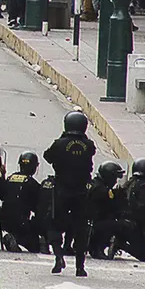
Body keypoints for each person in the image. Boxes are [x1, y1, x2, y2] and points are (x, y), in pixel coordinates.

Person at [43, 111, 97, 276]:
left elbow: (47, 156)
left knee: (53, 224)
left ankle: (59, 256)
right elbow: (90, 153)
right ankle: (80, 266)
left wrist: (63, 137)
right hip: (81, 191)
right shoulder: (89, 145)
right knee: (81, 228)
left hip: (62, 189)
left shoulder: (59, 144)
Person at [111, 158, 145, 262]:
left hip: (124, 221)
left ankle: (120, 242)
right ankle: (121, 245)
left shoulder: (129, 183)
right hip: (136, 225)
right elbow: (143, 208)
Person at [0, 151, 42, 253]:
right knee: (35, 247)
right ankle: (17, 238)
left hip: (5, 221)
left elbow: (2, 195)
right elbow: (38, 205)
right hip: (22, 222)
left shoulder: (9, 178)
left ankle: (13, 237)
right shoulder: (32, 183)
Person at [85, 161, 125, 260]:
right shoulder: (101, 189)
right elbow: (110, 208)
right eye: (114, 178)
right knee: (117, 224)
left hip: (88, 221)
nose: (115, 181)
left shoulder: (94, 184)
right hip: (92, 223)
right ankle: (97, 248)